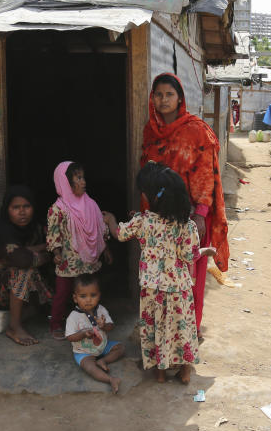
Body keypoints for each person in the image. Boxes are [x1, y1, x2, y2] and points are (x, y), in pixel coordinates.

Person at [103, 163, 216, 384]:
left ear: (151, 197)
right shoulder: (187, 225)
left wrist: (110, 220)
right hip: (179, 290)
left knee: (156, 328)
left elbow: (119, 234)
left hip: (152, 289)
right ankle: (184, 370)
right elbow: (188, 256)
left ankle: (161, 372)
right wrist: (206, 250)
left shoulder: (142, 221)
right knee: (180, 328)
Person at [140, 73, 229, 339]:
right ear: (152, 98)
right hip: (157, 219)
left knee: (189, 276)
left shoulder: (196, 129)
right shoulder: (149, 130)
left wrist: (201, 214)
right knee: (159, 278)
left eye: (169, 94)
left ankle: (190, 329)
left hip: (189, 216)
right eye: (158, 94)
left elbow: (205, 174)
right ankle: (162, 331)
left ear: (180, 98)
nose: (163, 99)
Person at [0, 185, 53, 346]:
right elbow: (23, 260)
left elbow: (54, 248)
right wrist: (45, 250)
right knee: (21, 269)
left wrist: (32, 251)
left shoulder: (35, 227)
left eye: (26, 206)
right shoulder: (1, 230)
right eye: (15, 207)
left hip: (22, 290)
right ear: (7, 209)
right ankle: (14, 327)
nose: (22, 212)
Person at [47, 161, 111, 339]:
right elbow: (53, 233)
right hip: (68, 261)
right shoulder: (58, 209)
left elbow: (100, 229)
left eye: (83, 177)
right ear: (65, 182)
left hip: (89, 261)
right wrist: (56, 253)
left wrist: (106, 249)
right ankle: (56, 323)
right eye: (78, 178)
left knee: (89, 292)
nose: (83, 182)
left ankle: (92, 321)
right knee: (62, 293)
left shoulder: (90, 204)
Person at [65, 273, 125, 394]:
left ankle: (103, 361)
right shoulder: (73, 317)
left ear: (99, 295)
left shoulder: (101, 310)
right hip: (84, 352)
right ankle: (111, 379)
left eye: (93, 295)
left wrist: (104, 326)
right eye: (83, 296)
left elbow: (111, 326)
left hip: (102, 346)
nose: (88, 300)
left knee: (121, 348)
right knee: (89, 367)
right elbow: (70, 337)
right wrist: (82, 334)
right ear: (75, 298)